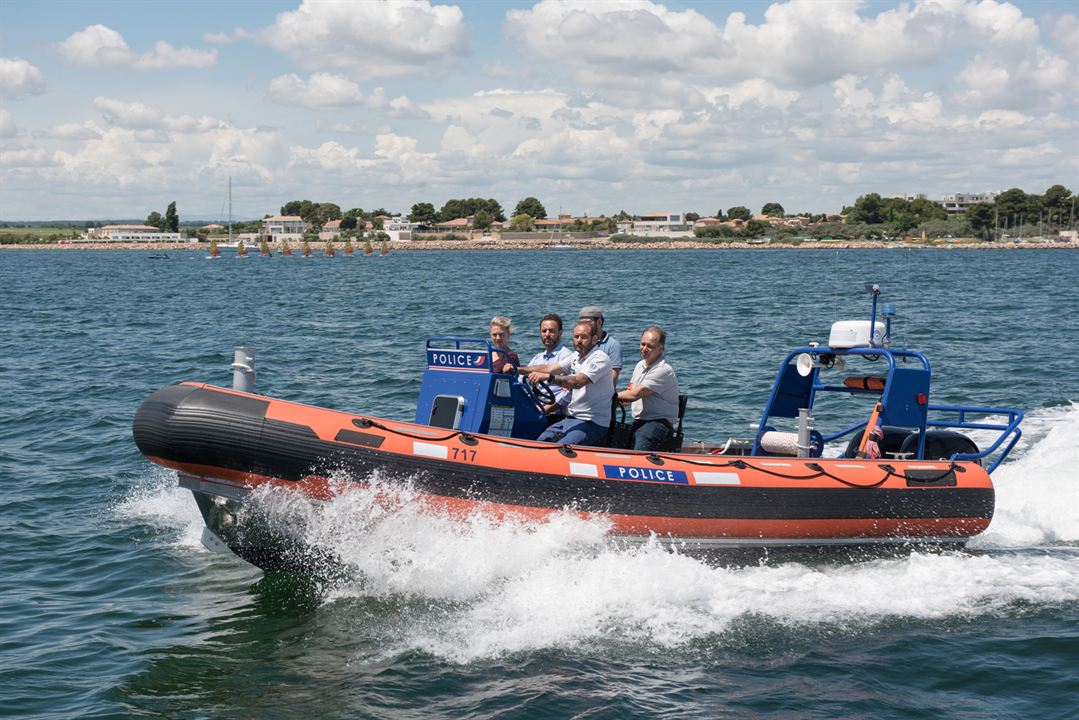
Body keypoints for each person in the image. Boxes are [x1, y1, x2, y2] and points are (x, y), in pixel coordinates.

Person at [519, 320, 613, 446]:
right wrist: (518, 369)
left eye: (583, 337)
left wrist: (548, 377)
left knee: (559, 449)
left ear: (594, 339)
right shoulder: (575, 356)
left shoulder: (599, 358)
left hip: (593, 422)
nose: (579, 340)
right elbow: (548, 368)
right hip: (571, 418)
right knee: (540, 443)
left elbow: (578, 382)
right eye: (576, 337)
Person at [616, 326, 680, 451]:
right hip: (640, 421)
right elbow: (629, 394)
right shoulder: (640, 365)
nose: (644, 349)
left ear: (660, 349)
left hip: (658, 423)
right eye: (642, 344)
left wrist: (608, 395)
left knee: (638, 452)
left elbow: (635, 394)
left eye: (649, 346)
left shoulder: (663, 369)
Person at [526, 313, 573, 419]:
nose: (547, 334)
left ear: (560, 333)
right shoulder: (537, 358)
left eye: (551, 331)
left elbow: (569, 392)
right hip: (533, 408)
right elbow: (522, 382)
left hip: (554, 414)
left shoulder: (567, 357)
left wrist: (545, 409)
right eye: (544, 331)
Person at [579, 306, 623, 383]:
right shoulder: (581, 342)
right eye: (581, 323)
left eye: (587, 322)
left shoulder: (612, 345)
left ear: (599, 322)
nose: (584, 326)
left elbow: (613, 377)